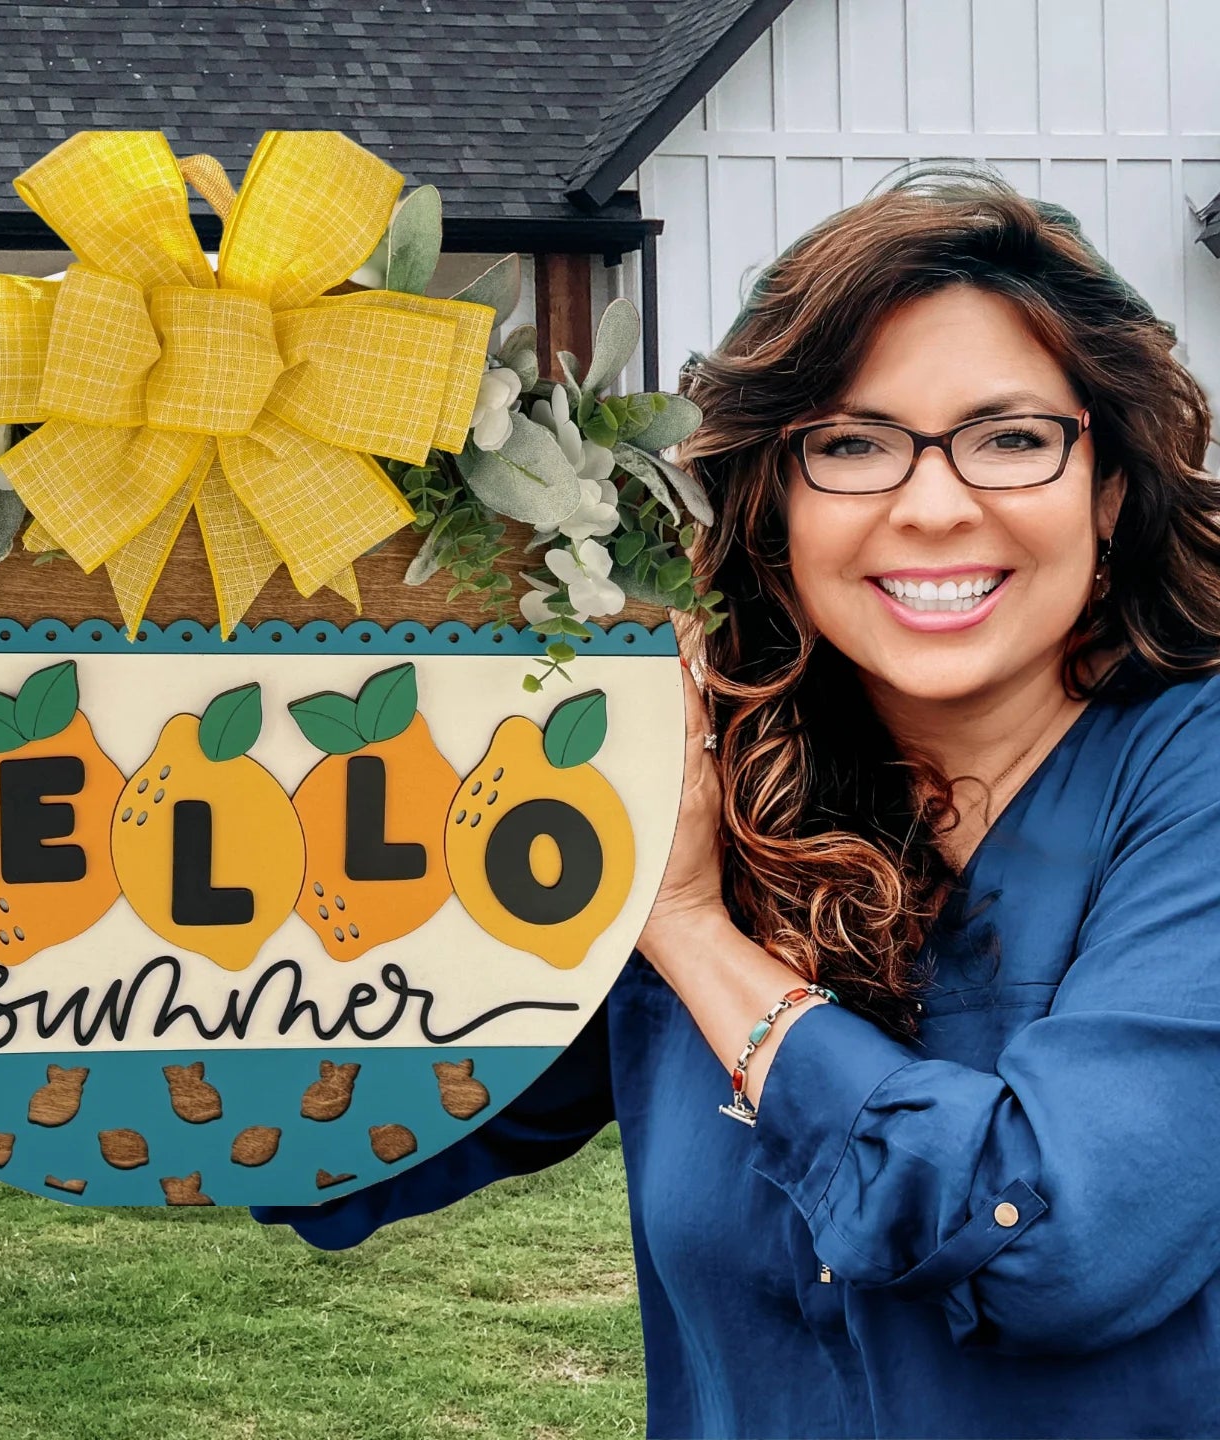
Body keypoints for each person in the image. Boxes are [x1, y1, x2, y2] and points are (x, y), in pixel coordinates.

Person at [252, 169, 1220, 1437]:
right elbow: (357, 1138)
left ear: (1107, 488)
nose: (933, 505)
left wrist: (696, 933)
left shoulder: (1186, 781)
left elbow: (1056, 1244)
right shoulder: (712, 779)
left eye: (1011, 436)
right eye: (854, 444)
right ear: (774, 503)